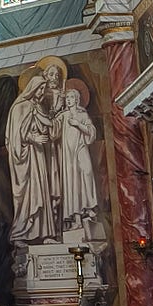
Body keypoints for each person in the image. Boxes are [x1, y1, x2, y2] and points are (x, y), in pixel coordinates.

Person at [6, 63, 58, 243]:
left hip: (39, 156)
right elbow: (14, 137)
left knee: (42, 191)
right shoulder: (19, 107)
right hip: (26, 158)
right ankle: (21, 232)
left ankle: (44, 233)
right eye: (41, 88)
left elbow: (48, 128)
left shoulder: (39, 107)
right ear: (32, 88)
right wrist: (32, 138)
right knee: (28, 195)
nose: (43, 92)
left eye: (44, 88)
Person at [58, 81, 100, 237]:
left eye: (71, 97)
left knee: (87, 173)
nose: (68, 100)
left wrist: (78, 124)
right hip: (68, 155)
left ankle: (90, 207)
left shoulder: (82, 115)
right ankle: (76, 219)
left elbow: (91, 132)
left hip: (81, 149)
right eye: (67, 98)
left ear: (77, 99)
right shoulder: (63, 116)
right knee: (72, 184)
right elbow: (53, 130)